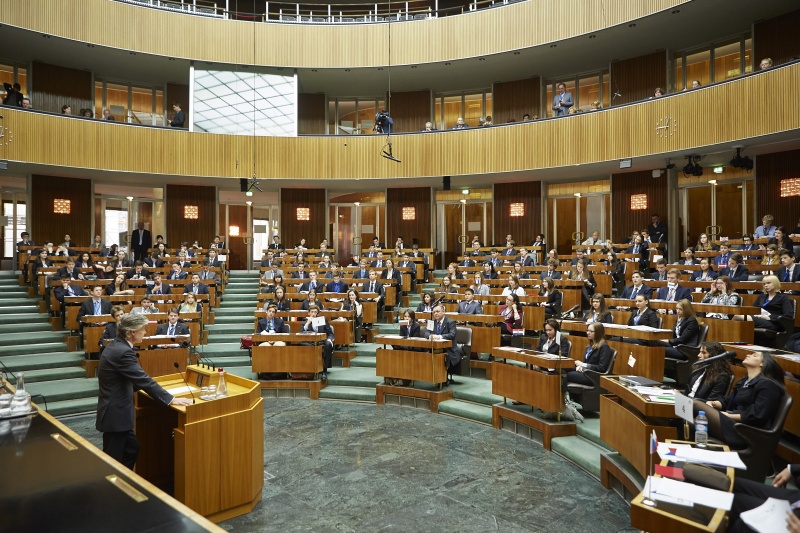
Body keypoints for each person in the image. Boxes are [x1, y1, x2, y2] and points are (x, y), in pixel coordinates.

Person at [96, 313, 192, 469]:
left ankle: (123, 482)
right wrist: (171, 399)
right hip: (115, 413)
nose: (145, 332)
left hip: (115, 411)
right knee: (112, 459)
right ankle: (111, 487)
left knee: (131, 449)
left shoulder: (116, 345)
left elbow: (132, 379)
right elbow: (142, 380)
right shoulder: (123, 352)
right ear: (132, 332)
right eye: (143, 329)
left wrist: (158, 389)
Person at [694, 351, 785, 449]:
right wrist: (713, 403)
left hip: (745, 432)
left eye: (754, 355)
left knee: (695, 404)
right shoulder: (744, 382)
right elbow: (728, 400)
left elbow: (758, 415)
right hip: (732, 423)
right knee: (692, 419)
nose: (748, 355)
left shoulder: (768, 385)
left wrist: (728, 415)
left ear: (763, 363)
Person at [567, 323, 613, 388]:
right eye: (587, 330)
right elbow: (587, 362)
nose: (588, 333)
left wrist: (583, 365)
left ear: (598, 333)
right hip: (586, 372)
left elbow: (602, 368)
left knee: (567, 375)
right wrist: (581, 367)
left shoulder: (604, 347)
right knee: (564, 369)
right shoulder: (590, 345)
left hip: (594, 376)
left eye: (591, 331)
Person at [429, 304, 460, 386]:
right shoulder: (432, 322)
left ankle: (443, 379)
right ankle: (434, 377)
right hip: (435, 348)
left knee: (441, 356)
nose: (436, 313)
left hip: (449, 349)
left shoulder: (450, 322)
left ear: (443, 312)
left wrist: (439, 336)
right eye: (434, 312)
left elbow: (452, 334)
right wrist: (430, 336)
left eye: (438, 311)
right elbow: (426, 333)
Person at [300, 305, 334, 380]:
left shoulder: (323, 320)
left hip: (322, 342)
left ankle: (324, 371)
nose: (313, 314)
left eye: (315, 312)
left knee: (328, 344)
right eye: (311, 312)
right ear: (308, 313)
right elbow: (301, 334)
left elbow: (330, 333)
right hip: (310, 343)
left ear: (317, 313)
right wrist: (307, 323)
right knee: (300, 345)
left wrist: (329, 339)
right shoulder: (305, 321)